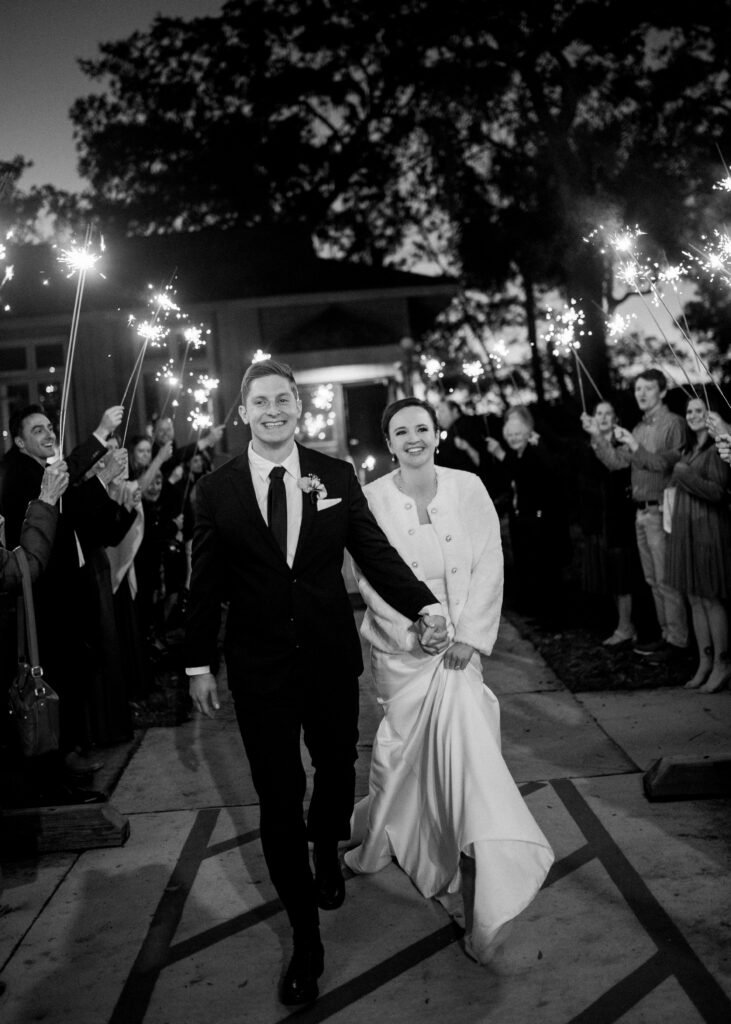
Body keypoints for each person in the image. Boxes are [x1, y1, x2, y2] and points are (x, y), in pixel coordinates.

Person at [185, 359, 447, 1007]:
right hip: (260, 669)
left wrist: (423, 605)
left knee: (334, 767)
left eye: (284, 399)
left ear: (298, 408)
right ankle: (306, 940)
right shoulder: (214, 491)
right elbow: (204, 586)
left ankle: (327, 845)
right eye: (260, 402)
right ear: (242, 413)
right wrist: (196, 663)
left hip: (329, 657)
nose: (273, 410)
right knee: (278, 797)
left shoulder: (332, 475)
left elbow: (373, 551)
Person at [343, 398, 553, 962]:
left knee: (466, 751)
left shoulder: (469, 487)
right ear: (388, 443)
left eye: (421, 428)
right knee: (403, 757)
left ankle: (494, 877)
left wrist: (468, 637)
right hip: (405, 655)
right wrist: (416, 630)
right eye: (400, 431)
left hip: (460, 653)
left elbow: (490, 562)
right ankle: (387, 834)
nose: (413, 438)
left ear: (436, 434)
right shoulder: (372, 499)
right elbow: (369, 577)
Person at [0, 403, 124, 803]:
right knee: (51, 687)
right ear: (18, 440)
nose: (48, 434)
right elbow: (47, 511)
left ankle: (62, 767)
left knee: (70, 679)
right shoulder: (19, 472)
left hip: (63, 596)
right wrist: (101, 435)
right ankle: (51, 783)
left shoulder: (42, 470)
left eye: (50, 427)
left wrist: (103, 476)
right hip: (44, 603)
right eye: (38, 430)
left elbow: (73, 497)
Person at [581, 369, 688, 662]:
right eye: (637, 388)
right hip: (640, 514)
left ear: (662, 392)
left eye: (648, 388)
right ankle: (667, 637)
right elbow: (617, 464)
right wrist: (597, 439)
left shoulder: (674, 424)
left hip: (661, 511)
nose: (640, 393)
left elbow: (662, 465)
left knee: (667, 580)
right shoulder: (639, 427)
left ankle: (678, 641)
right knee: (654, 580)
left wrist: (634, 445)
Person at [666, 397, 731, 692]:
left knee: (710, 597)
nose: (692, 415)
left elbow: (718, 492)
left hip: (708, 530)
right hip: (685, 530)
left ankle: (722, 662)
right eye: (689, 410)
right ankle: (704, 662)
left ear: (710, 416)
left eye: (699, 411)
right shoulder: (688, 449)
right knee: (693, 596)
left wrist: (685, 475)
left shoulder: (718, 448)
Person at [486, 406, 570, 625]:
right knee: (533, 568)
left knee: (545, 569)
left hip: (539, 519)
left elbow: (524, 475)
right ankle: (540, 612)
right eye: (510, 435)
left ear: (526, 434)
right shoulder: (520, 453)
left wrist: (500, 454)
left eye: (517, 434)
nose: (514, 439)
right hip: (525, 517)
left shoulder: (534, 452)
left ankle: (552, 617)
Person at [577, 400, 640, 645]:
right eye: (598, 413)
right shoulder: (588, 444)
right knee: (610, 575)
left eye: (607, 413)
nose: (602, 417)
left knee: (623, 574)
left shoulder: (622, 442)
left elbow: (614, 465)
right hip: (598, 518)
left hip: (619, 515)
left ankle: (626, 626)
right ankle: (623, 624)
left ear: (616, 418)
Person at [0, 461, 69, 589]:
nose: (51, 439)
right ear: (20, 442)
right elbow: (25, 569)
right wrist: (47, 497)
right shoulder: (16, 475)